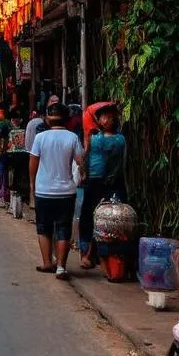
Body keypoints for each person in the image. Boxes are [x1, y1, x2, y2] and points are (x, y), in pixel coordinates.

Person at [29, 101, 85, 279]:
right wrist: (83, 176)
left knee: (44, 228)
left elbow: (33, 163)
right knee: (63, 229)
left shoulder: (40, 138)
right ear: (67, 119)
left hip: (44, 190)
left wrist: (32, 185)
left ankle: (47, 263)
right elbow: (80, 162)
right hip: (66, 192)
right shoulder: (72, 138)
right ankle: (61, 267)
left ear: (47, 119)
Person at [79, 102, 127, 269]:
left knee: (101, 218)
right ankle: (90, 253)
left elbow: (84, 155)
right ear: (98, 120)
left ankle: (90, 253)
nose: (110, 118)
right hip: (102, 180)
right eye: (105, 116)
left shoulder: (99, 139)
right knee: (96, 217)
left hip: (105, 180)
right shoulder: (117, 139)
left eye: (111, 115)